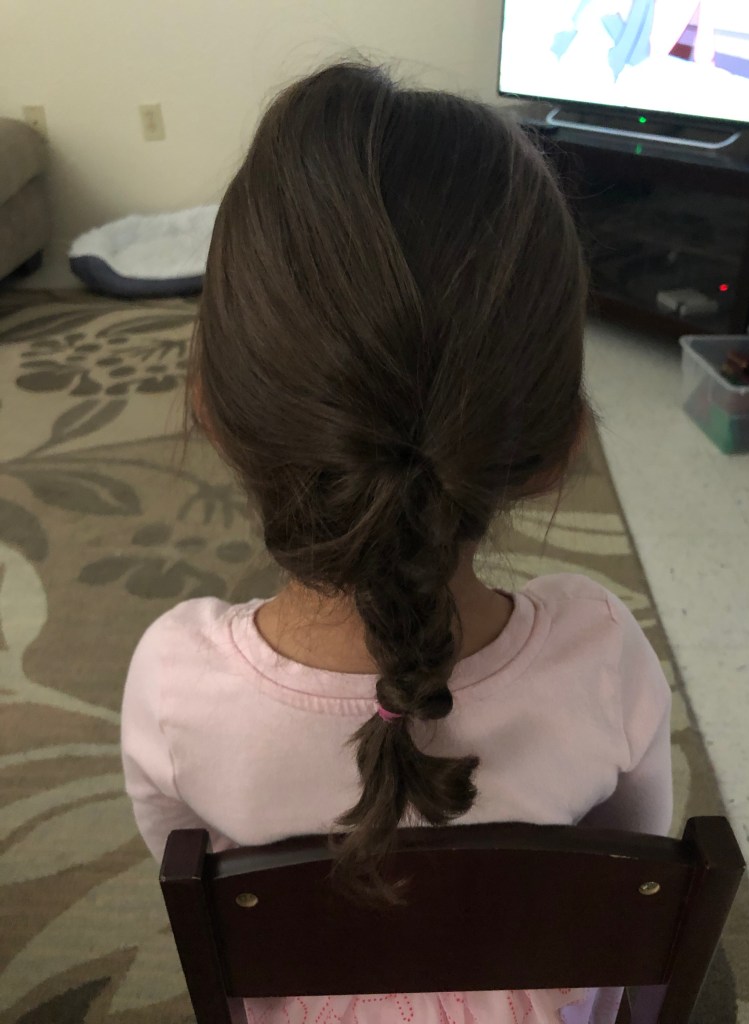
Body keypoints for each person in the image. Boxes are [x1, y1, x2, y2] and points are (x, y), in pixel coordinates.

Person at [121, 62, 672, 1024]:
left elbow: (190, 882)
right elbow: (636, 883)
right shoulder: (604, 654)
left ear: (211, 409)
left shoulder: (174, 686)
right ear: (560, 448)